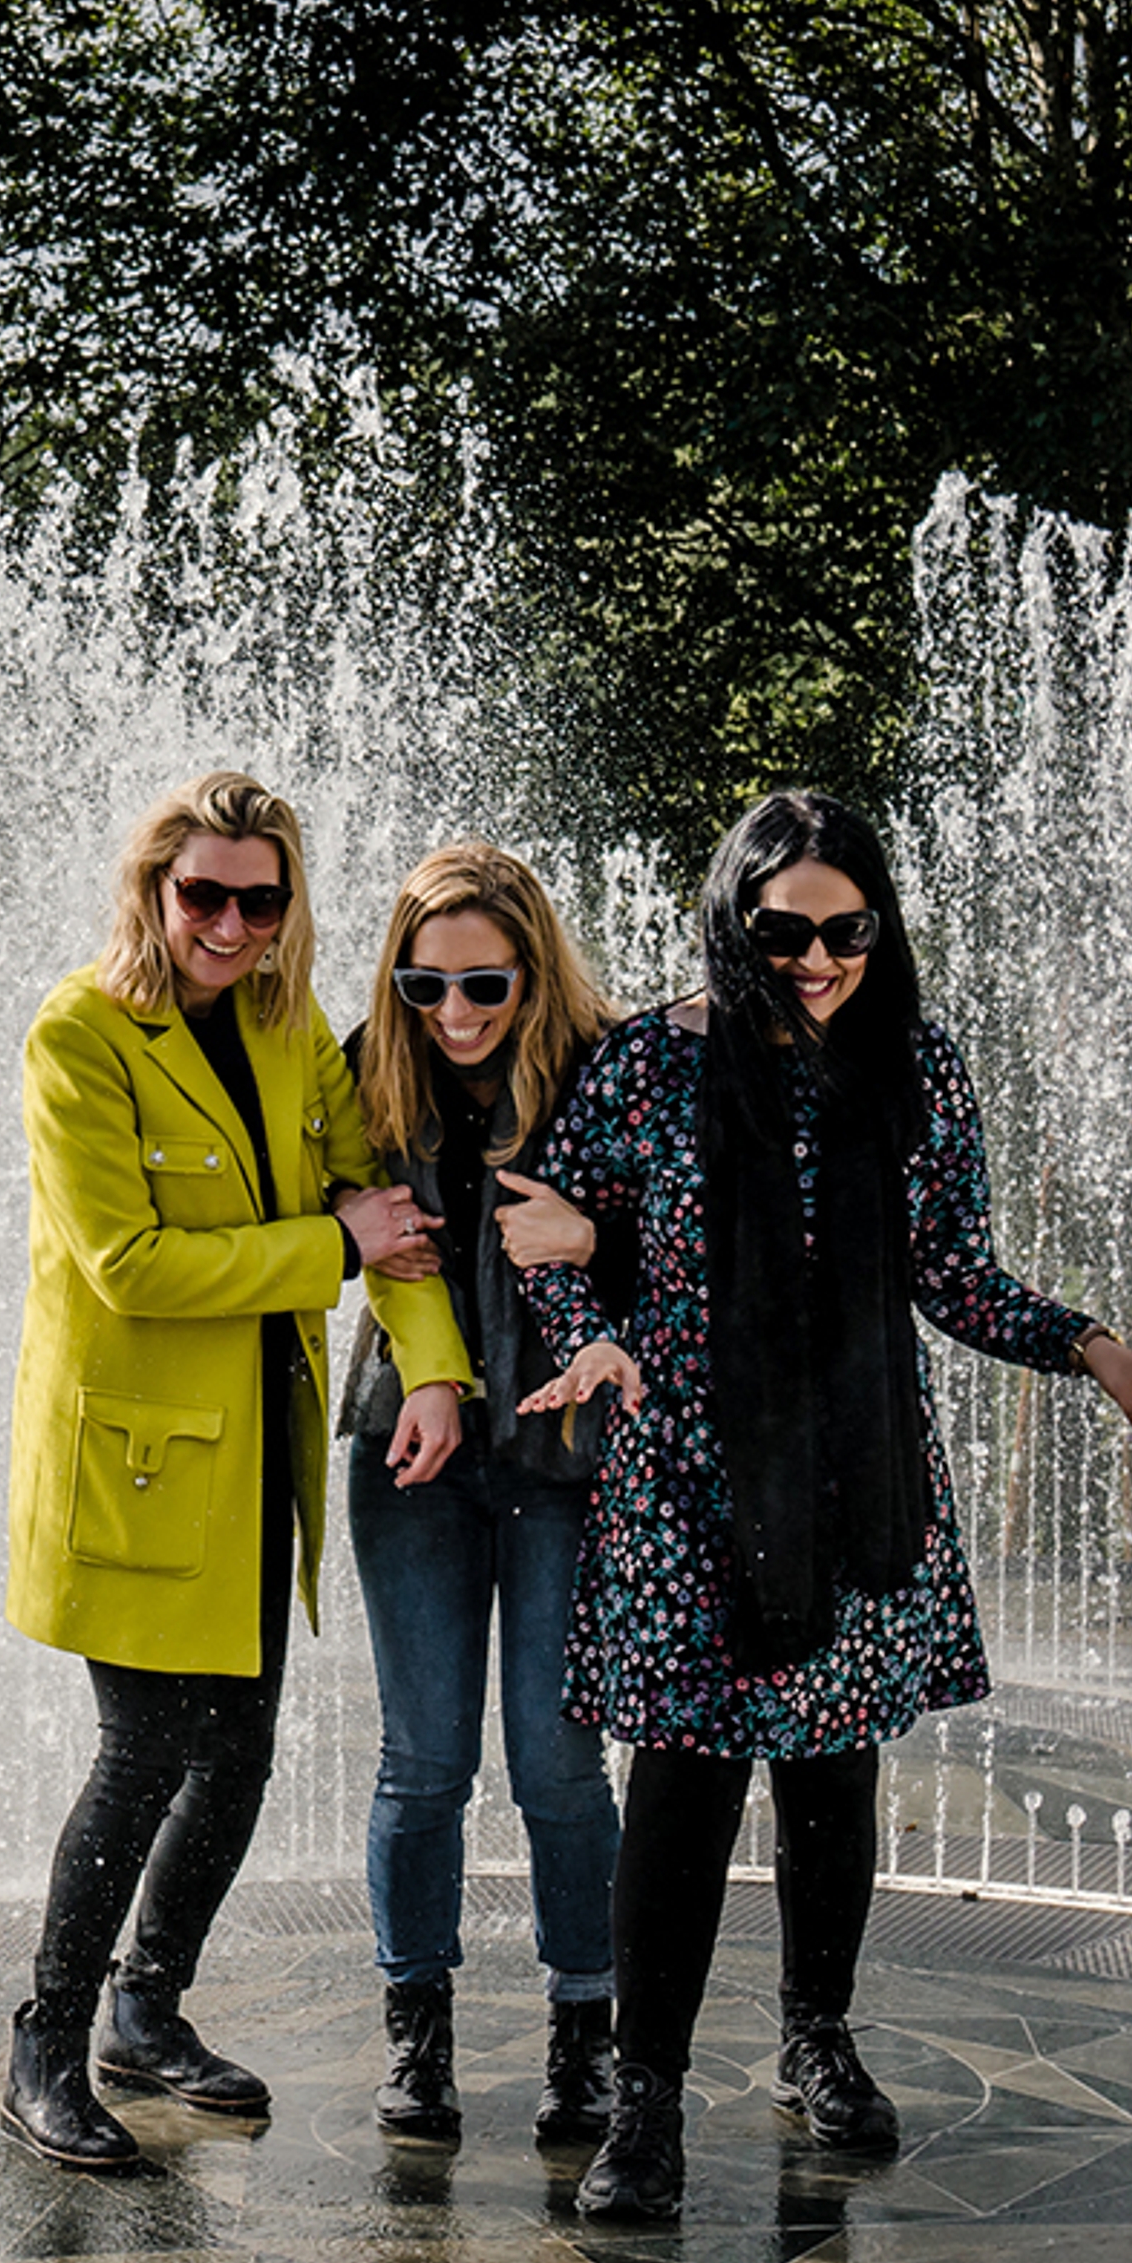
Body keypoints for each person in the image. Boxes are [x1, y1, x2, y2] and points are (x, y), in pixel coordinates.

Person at [517, 789, 1132, 2223]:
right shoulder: (646, 1069)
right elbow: (552, 1229)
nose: (815, 957)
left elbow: (955, 1273)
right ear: (734, 918)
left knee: (832, 1772)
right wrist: (583, 1329)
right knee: (680, 1785)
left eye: (847, 929)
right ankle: (646, 2102)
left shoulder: (913, 1065)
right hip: (684, 1479)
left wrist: (1084, 1341)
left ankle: (816, 2039)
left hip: (859, 1469)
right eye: (782, 929)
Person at [0, 769, 468, 2171]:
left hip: (256, 1447)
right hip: (135, 1467)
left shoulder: (283, 1024)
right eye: (203, 893)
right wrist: (332, 1249)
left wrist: (434, 1365)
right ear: (154, 888)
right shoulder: (79, 1034)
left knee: (243, 1752)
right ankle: (45, 2043)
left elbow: (377, 1198)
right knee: (143, 1755)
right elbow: (131, 1267)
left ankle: (149, 2010)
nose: (230, 924)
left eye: (260, 900)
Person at [336, 842, 631, 2146]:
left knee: (559, 1763)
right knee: (425, 1758)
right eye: (424, 986)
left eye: (483, 986)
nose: (451, 1015)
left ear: (536, 967)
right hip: (416, 1450)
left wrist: (600, 1240)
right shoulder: (361, 1067)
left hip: (569, 1460)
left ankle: (586, 2034)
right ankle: (418, 2031)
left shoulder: (611, 1069)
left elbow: (698, 1231)